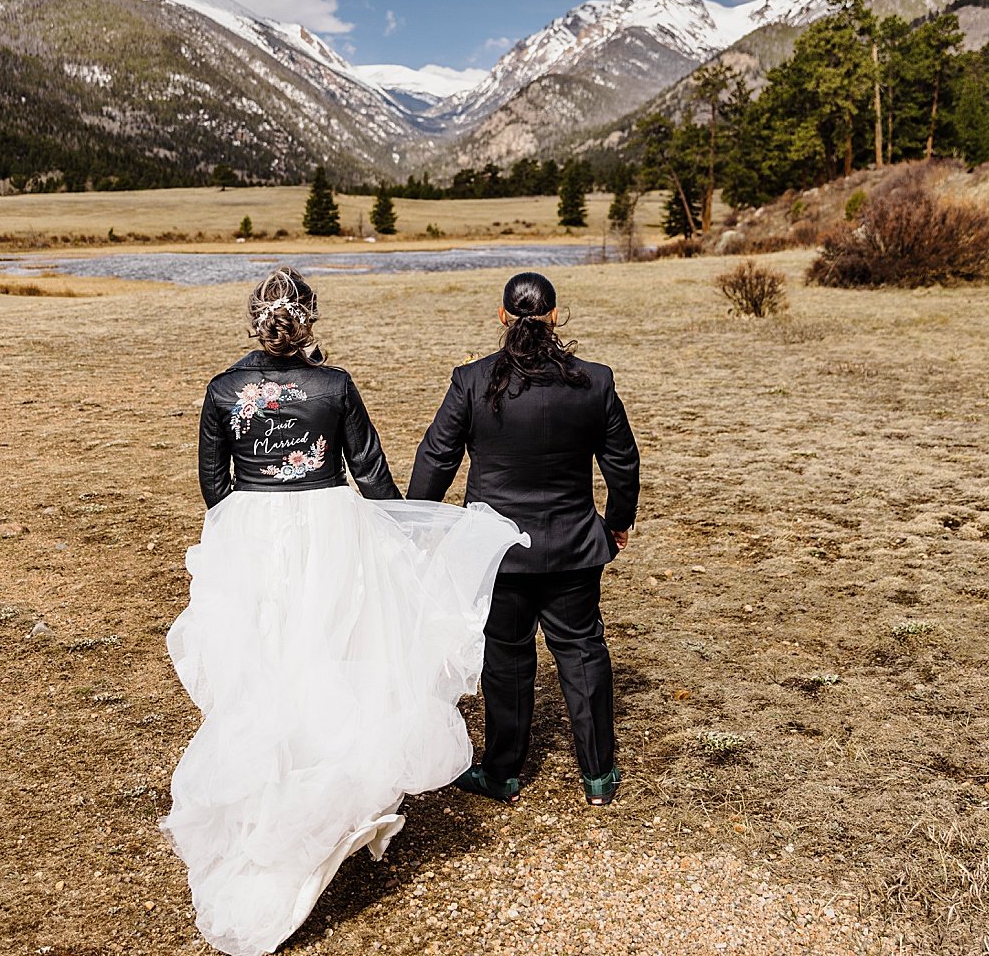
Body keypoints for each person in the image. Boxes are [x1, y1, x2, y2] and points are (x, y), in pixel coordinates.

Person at [162, 267, 528, 956]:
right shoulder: (335, 386)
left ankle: (273, 795)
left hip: (254, 531)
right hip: (331, 527)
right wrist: (408, 539)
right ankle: (328, 791)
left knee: (268, 660)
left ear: (253, 321)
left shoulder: (221, 390)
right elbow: (373, 473)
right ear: (310, 320)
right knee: (337, 649)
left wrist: (248, 535)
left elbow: (215, 487)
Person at [408, 272, 639, 807]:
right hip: (575, 546)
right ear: (556, 315)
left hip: (498, 551)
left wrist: (422, 522)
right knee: (582, 651)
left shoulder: (471, 380)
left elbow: (436, 456)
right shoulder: (595, 380)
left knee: (506, 657)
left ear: (502, 316)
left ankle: (503, 772)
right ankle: (599, 775)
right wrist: (617, 521)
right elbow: (622, 461)